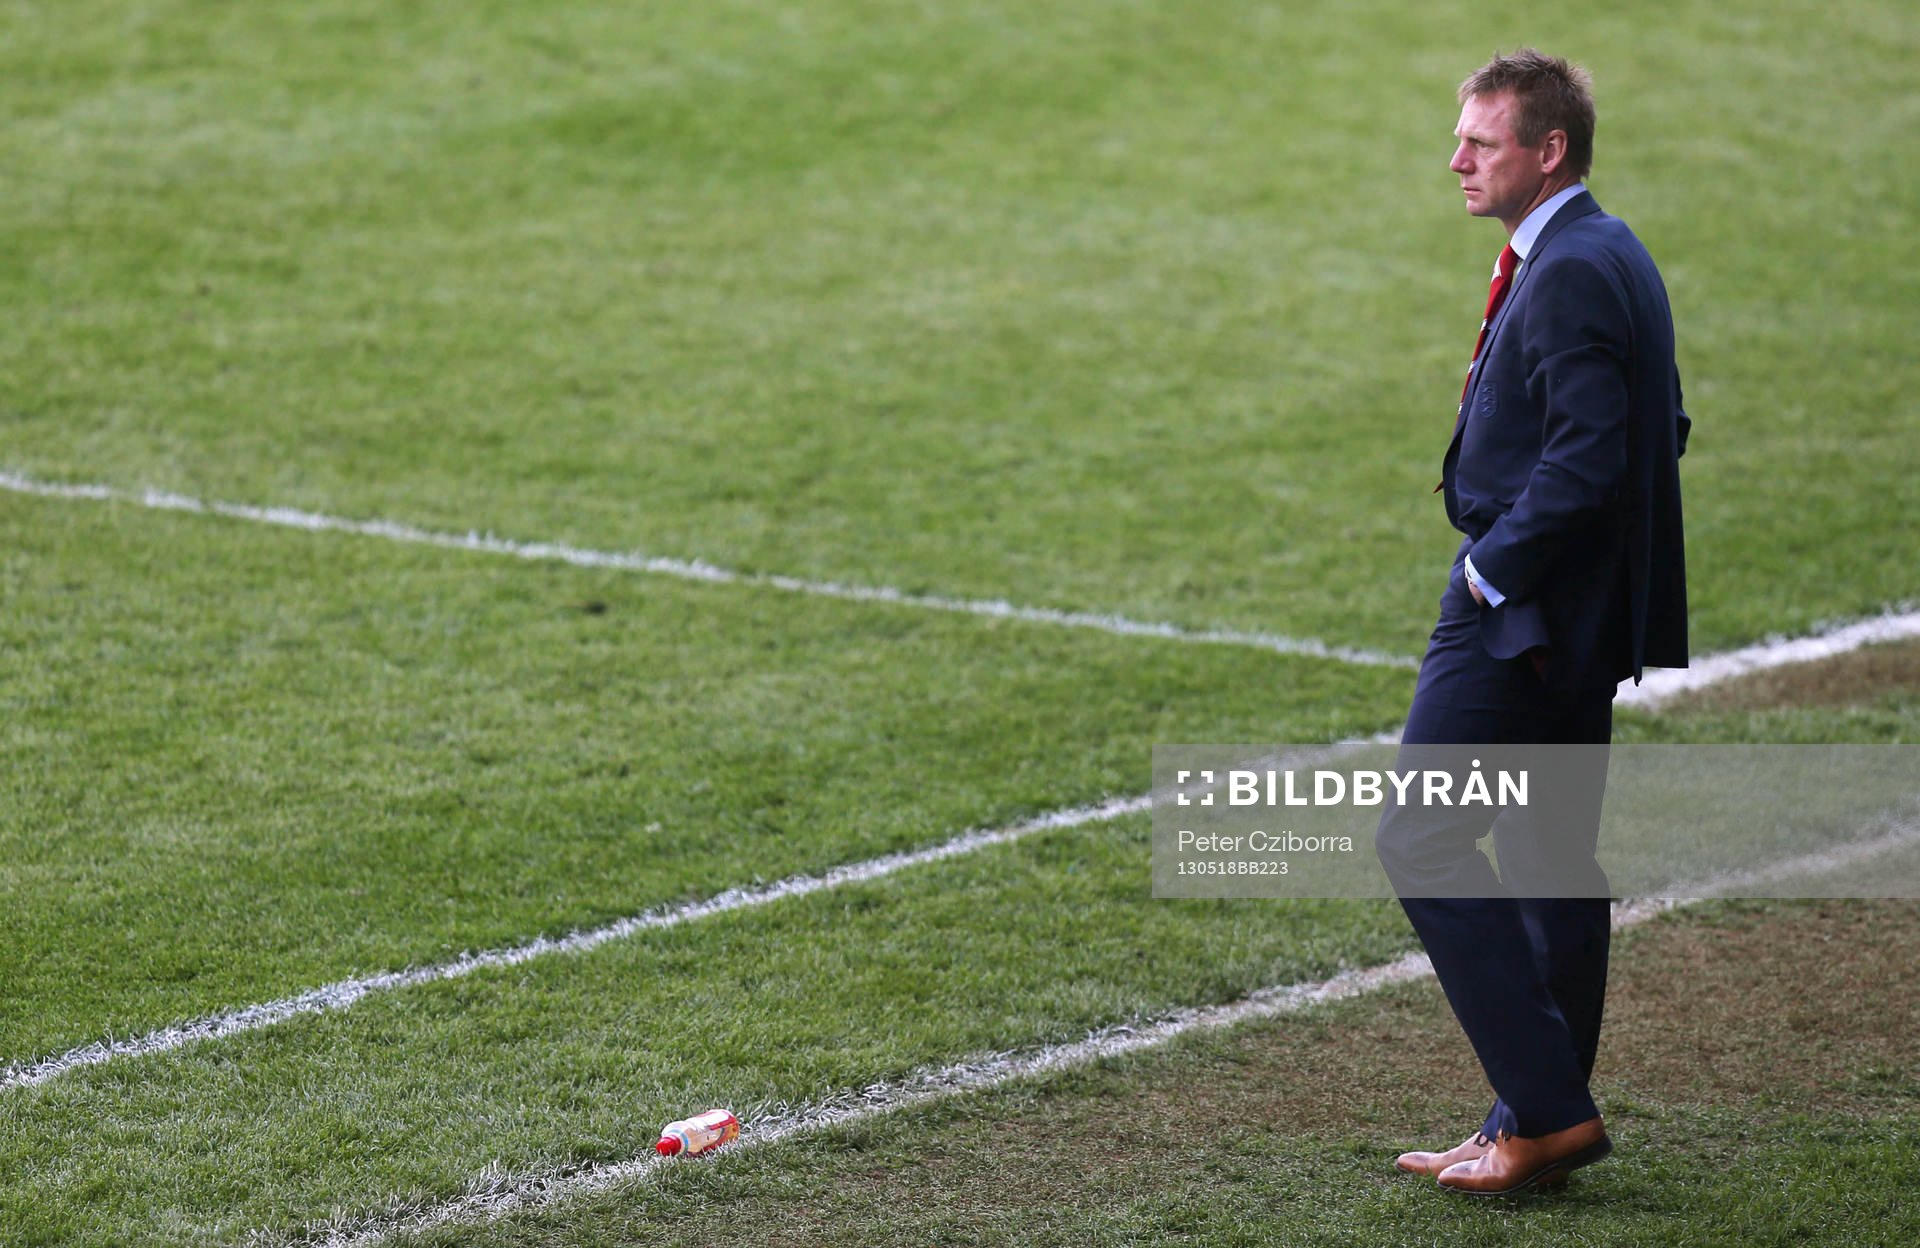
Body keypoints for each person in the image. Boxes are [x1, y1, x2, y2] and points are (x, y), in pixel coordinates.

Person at [1374, 48, 1690, 1195]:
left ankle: (1549, 1112)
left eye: (1481, 139)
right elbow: (1667, 423)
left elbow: (1595, 456)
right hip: (1573, 612)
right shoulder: (1605, 253)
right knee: (1552, 855)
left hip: (1520, 617)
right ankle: (1529, 1120)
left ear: (1547, 150)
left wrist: (1491, 575)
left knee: (1420, 838)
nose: (1456, 157)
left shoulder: (1569, 270)